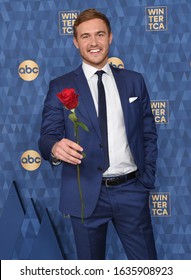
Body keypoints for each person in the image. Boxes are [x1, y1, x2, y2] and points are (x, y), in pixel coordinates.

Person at [39, 8, 158, 260]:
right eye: (85, 36)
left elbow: (148, 133)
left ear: (110, 37)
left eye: (100, 34)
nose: (93, 43)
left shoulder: (134, 81)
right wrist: (54, 147)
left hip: (131, 190)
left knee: (148, 269)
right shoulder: (60, 86)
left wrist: (144, 181)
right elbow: (47, 136)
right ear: (75, 41)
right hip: (84, 195)